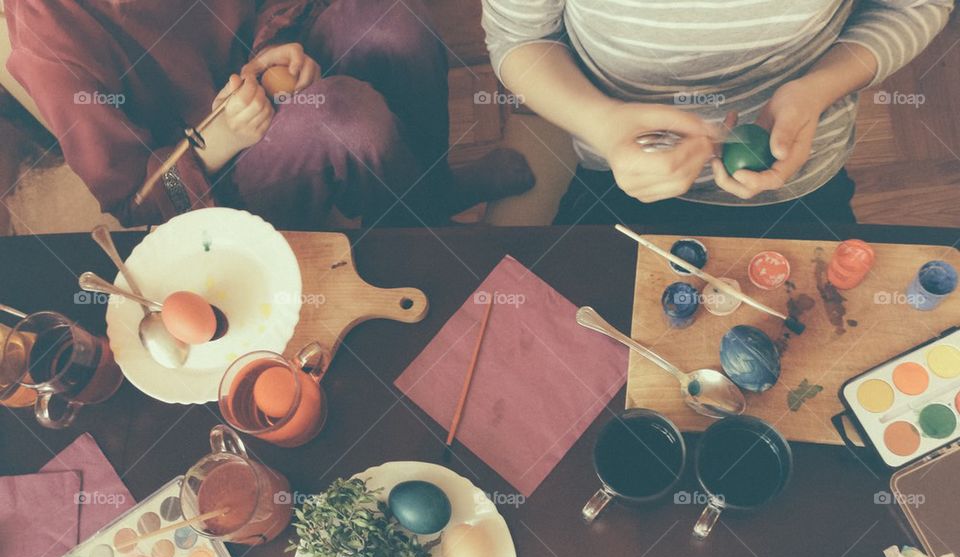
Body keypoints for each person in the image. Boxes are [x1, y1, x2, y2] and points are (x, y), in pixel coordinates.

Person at [5, 0, 534, 229]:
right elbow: (137, 202)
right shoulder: (51, 41)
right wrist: (220, 140)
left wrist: (274, 44)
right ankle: (415, 233)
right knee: (345, 115)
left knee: (393, 21)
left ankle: (430, 190)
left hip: (266, 78)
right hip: (213, 170)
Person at [482, 0, 953, 231]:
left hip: (800, 177)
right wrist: (600, 123)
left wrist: (819, 88)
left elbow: (913, 5)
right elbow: (519, 38)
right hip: (617, 177)